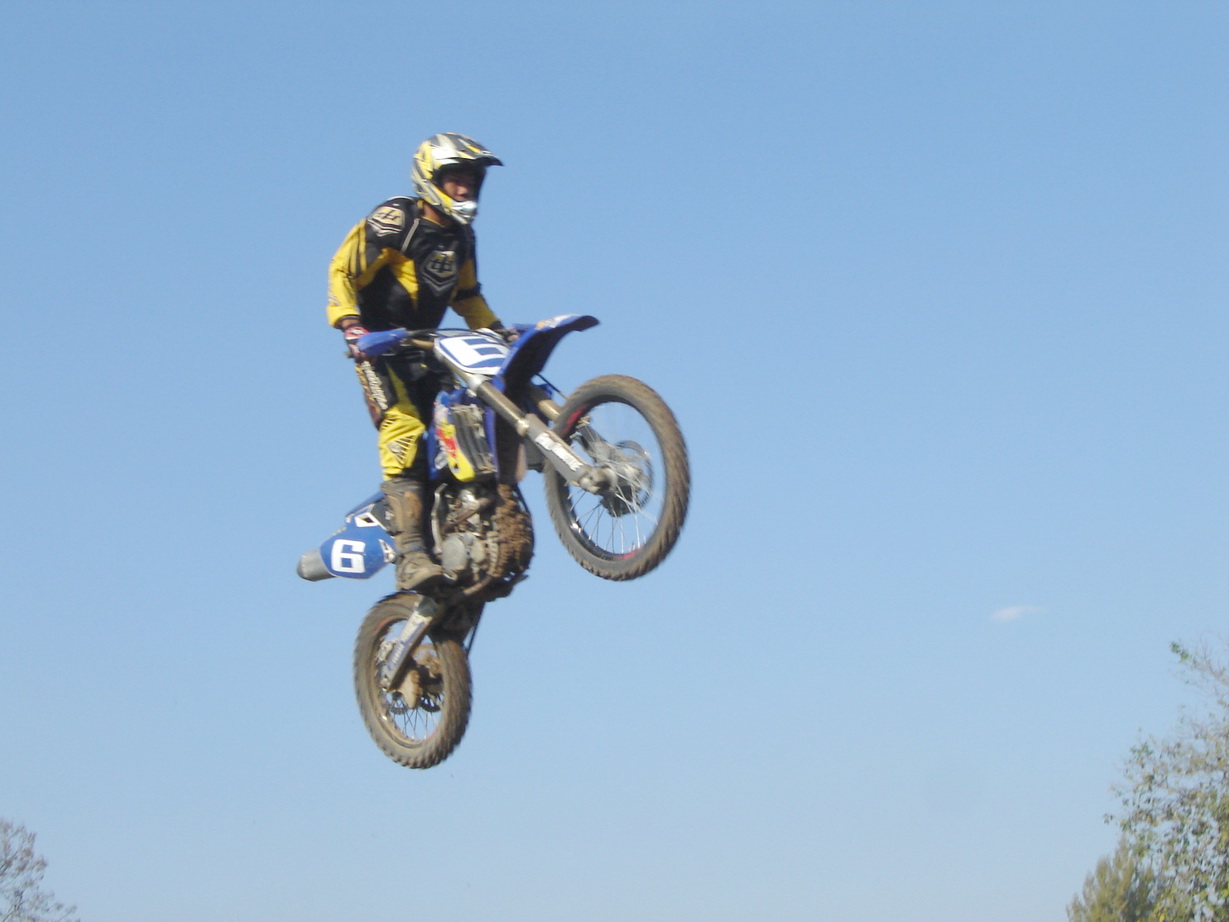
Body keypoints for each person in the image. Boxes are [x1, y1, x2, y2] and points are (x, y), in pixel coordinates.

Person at [326, 132, 506, 591]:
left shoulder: (462, 237)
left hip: (429, 346)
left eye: (472, 180)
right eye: (455, 179)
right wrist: (351, 326)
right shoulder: (396, 220)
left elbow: (467, 296)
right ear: (430, 179)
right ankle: (410, 555)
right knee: (404, 427)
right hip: (379, 347)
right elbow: (343, 269)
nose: (464, 188)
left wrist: (497, 331)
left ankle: (466, 517)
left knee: (468, 414)